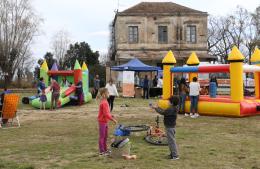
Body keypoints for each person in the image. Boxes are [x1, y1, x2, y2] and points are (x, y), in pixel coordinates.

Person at [97, 87, 117, 155]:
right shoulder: (104, 103)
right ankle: (102, 151)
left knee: (105, 136)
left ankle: (105, 150)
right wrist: (113, 120)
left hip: (105, 122)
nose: (109, 93)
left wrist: (111, 115)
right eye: (108, 92)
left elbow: (107, 113)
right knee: (102, 137)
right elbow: (105, 114)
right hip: (102, 122)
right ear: (104, 94)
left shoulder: (105, 102)